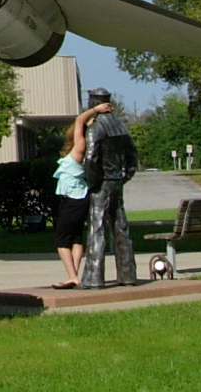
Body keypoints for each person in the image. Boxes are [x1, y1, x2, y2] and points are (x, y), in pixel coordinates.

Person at [79, 88, 139, 288]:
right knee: (121, 228)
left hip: (102, 183)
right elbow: (132, 155)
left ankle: (94, 277)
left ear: (95, 102)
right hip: (116, 183)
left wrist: (92, 181)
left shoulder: (96, 128)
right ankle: (128, 274)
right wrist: (124, 177)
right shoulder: (120, 126)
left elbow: (90, 158)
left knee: (97, 229)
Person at [52, 102, 112, 288]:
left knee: (62, 242)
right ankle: (74, 275)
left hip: (73, 200)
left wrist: (95, 110)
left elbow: (79, 120)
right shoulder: (81, 151)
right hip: (78, 199)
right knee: (76, 238)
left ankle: (72, 276)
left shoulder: (79, 148)